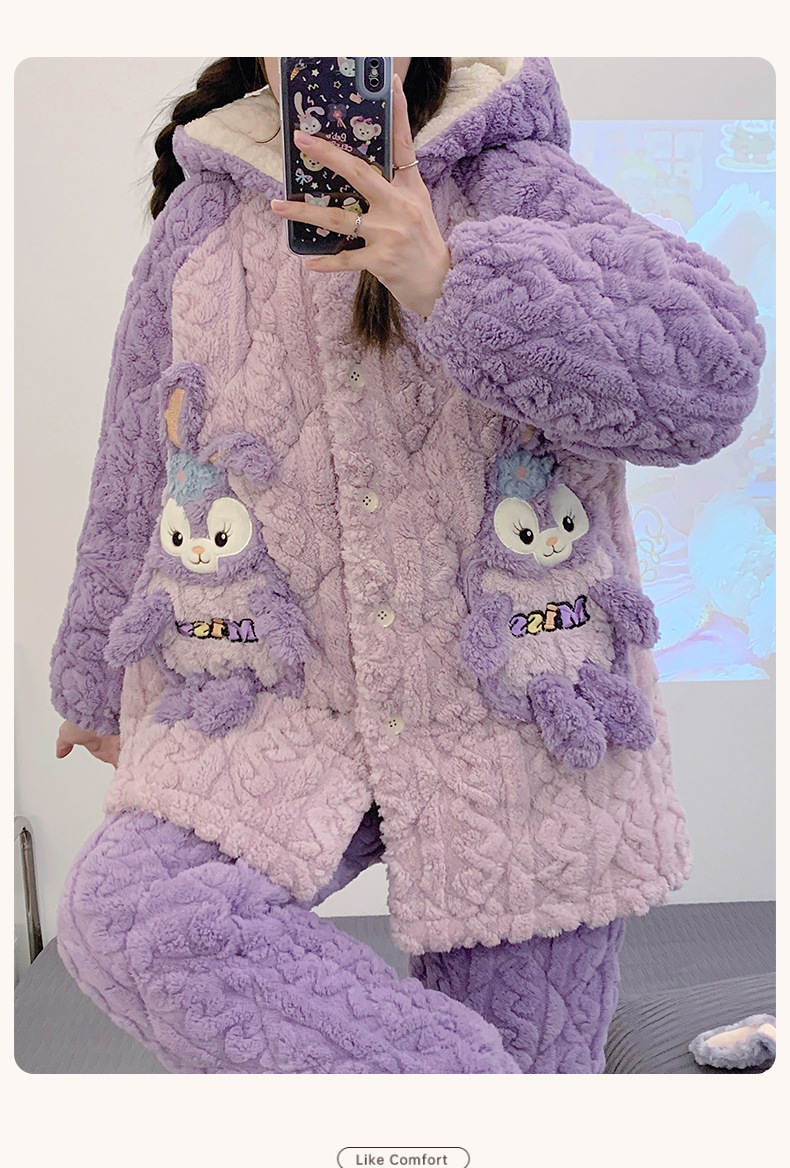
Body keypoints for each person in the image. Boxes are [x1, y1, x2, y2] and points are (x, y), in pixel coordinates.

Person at [51, 57, 763, 1074]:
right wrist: (95, 680)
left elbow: (710, 376)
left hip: (520, 721)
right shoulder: (204, 215)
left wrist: (446, 277)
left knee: (530, 1072)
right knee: (134, 910)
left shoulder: (516, 175)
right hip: (277, 701)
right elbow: (139, 452)